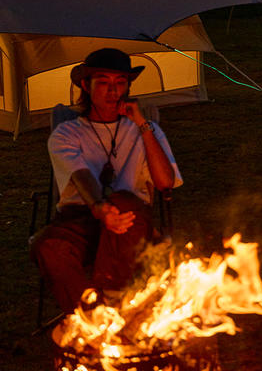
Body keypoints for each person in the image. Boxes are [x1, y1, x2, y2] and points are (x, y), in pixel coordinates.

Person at [30, 48, 183, 314]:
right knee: (48, 245)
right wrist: (99, 208)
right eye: (103, 83)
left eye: (120, 83)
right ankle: (96, 315)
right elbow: (80, 174)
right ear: (85, 86)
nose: (113, 91)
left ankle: (111, 300)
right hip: (80, 218)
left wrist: (143, 127)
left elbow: (165, 183)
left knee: (122, 204)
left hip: (131, 219)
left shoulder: (145, 129)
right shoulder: (67, 133)